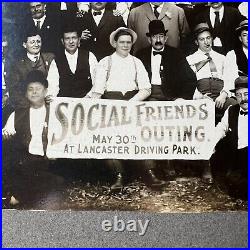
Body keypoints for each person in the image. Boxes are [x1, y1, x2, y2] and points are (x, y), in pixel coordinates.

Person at [91, 27, 165, 190]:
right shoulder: (105, 62)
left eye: (128, 42)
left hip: (133, 104)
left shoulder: (136, 62)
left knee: (142, 136)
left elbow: (146, 88)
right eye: (122, 42)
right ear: (115, 43)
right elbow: (97, 91)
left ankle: (149, 172)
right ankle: (118, 175)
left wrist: (130, 103)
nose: (125, 45)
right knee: (110, 139)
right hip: (111, 107)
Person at [3, 70, 63, 207]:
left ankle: (18, 197)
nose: (34, 92)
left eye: (38, 89)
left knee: (57, 181)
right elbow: (7, 131)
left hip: (49, 162)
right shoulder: (17, 114)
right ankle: (23, 196)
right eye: (30, 89)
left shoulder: (56, 113)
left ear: (45, 91)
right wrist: (5, 134)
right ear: (25, 93)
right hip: (26, 162)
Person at [186, 23, 237, 122]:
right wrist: (199, 97)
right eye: (202, 39)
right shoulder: (190, 59)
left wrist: (224, 95)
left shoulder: (222, 58)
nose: (206, 42)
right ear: (196, 42)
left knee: (235, 107)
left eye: (208, 38)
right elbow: (188, 82)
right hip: (202, 94)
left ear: (212, 39)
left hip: (221, 93)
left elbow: (229, 78)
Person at [136, 19, 196, 101]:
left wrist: (182, 98)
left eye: (161, 36)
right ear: (149, 39)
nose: (158, 40)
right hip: (148, 96)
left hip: (171, 97)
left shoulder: (176, 54)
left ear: (165, 38)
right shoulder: (140, 55)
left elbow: (190, 79)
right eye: (154, 36)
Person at [208, 76, 248, 199]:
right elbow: (221, 128)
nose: (243, 99)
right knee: (234, 187)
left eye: (246, 94)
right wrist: (210, 144)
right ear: (235, 96)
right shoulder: (232, 110)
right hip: (239, 157)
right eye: (239, 95)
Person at [8, 30, 57, 109]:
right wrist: (32, 105)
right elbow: (14, 91)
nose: (36, 44)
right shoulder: (17, 64)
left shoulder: (50, 58)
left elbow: (55, 82)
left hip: (48, 105)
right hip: (26, 107)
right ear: (24, 45)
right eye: (32, 42)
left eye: (38, 41)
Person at [47, 25, 98, 98]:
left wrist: (88, 97)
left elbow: (97, 82)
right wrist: (51, 97)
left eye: (74, 38)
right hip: (64, 103)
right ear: (62, 41)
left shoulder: (90, 56)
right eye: (67, 38)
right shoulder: (56, 60)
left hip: (86, 102)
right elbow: (52, 86)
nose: (71, 41)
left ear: (79, 40)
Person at [223, 20, 248, 100]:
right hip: (241, 96)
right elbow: (229, 80)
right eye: (245, 35)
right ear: (240, 38)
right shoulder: (232, 55)